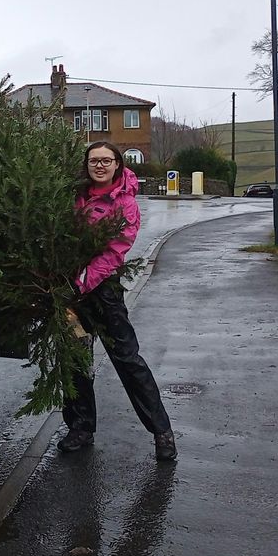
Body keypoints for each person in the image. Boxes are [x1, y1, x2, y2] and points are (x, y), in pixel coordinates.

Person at [58, 140, 176, 461]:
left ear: (117, 165)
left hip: (103, 292)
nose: (99, 166)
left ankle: (162, 431)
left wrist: (80, 283)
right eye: (93, 160)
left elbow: (114, 252)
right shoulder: (75, 196)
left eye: (106, 160)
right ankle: (80, 427)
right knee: (75, 360)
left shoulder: (125, 203)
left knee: (127, 360)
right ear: (86, 165)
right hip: (72, 293)